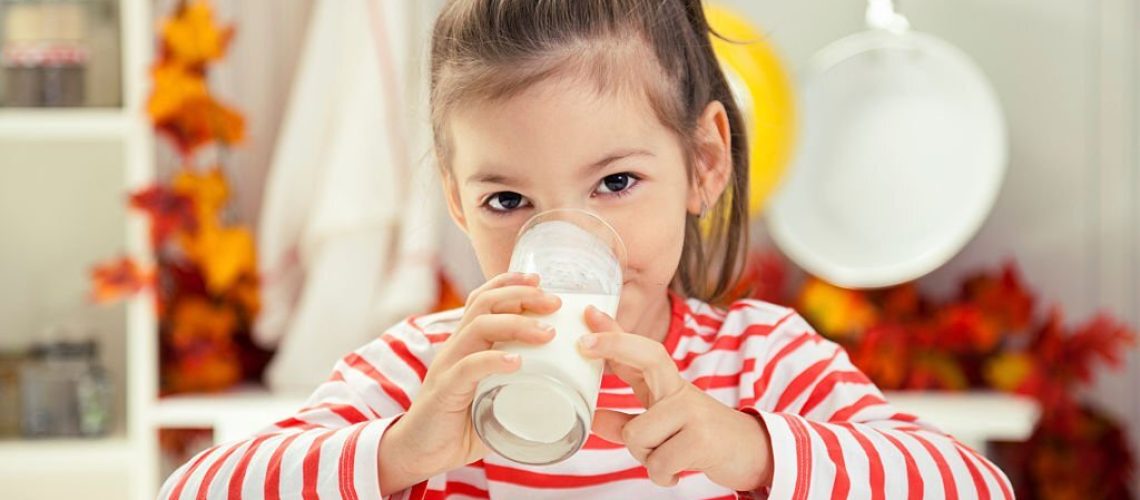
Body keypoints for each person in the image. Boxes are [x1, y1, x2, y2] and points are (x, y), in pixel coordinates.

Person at [160, 0, 1013, 498]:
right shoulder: (424, 376)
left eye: (614, 184)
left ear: (703, 163)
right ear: (457, 203)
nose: (565, 239)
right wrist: (394, 453)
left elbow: (977, 487)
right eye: (508, 200)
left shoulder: (762, 364)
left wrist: (752, 449)